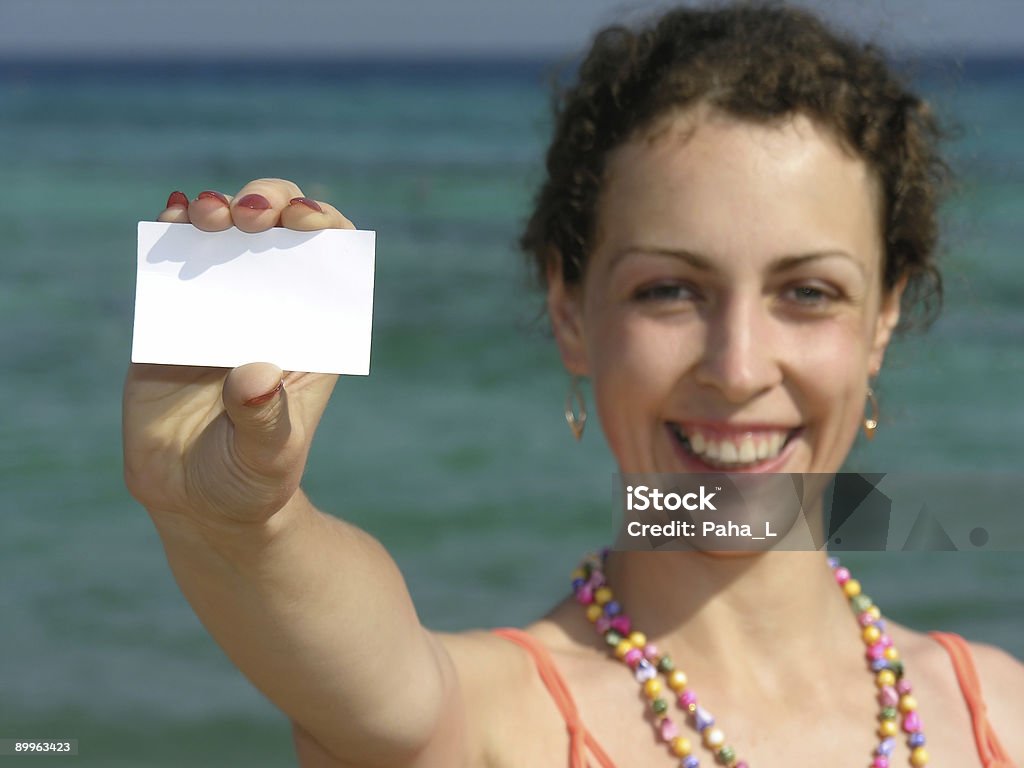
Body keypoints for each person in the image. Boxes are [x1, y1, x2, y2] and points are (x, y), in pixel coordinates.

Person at [123, 4, 1023, 767]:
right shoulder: (486, 726)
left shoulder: (1003, 715)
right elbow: (379, 690)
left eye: (808, 293)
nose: (740, 367)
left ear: (885, 317)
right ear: (568, 308)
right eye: (669, 289)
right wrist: (243, 524)